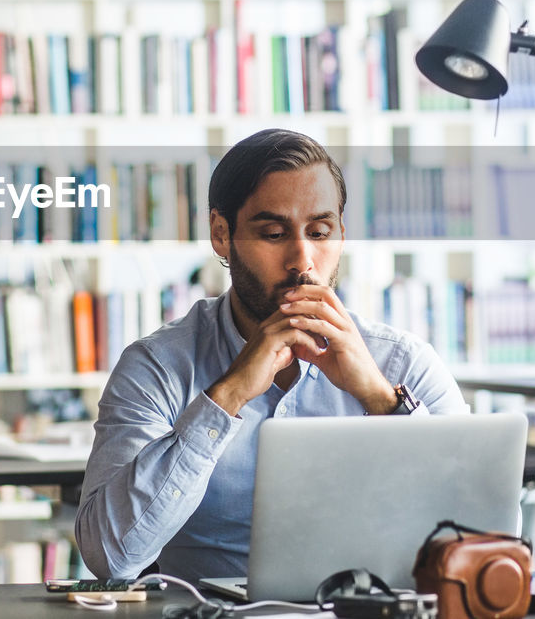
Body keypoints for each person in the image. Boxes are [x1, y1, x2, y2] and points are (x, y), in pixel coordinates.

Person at [74, 128, 469, 582]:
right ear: (222, 236)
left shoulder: (404, 363)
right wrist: (227, 397)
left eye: (320, 232)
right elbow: (109, 556)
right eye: (274, 233)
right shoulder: (158, 367)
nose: (302, 259)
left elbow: (478, 541)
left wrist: (381, 399)